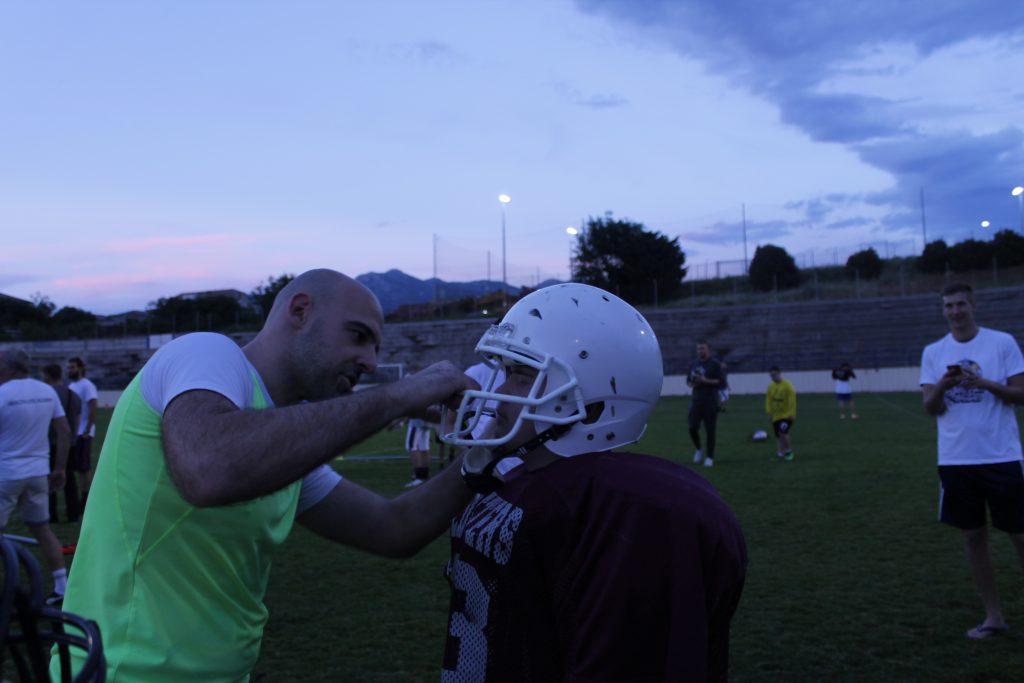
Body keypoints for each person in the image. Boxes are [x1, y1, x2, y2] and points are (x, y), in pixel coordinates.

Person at [54, 269, 485, 682]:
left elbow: (393, 528)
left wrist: (485, 457)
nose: (371, 362)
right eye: (358, 336)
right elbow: (210, 468)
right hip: (122, 671)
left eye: (375, 347)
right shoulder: (205, 352)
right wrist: (399, 396)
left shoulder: (279, 444)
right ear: (299, 311)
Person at [441, 283, 748, 682]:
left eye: (520, 375)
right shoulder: (514, 479)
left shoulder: (630, 513)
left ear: (592, 401)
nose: (498, 392)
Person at [920, 282, 1024, 640]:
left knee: (1019, 534)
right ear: (943, 310)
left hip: (1001, 456)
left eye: (961, 304)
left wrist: (985, 383)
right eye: (948, 306)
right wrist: (944, 387)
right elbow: (930, 407)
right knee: (973, 537)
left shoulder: (1002, 342)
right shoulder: (933, 352)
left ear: (973, 305)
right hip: (956, 460)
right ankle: (993, 617)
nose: (955, 311)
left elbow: (1020, 395)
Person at [0, 350, 72, 605]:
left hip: (6, 474)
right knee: (42, 529)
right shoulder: (47, 391)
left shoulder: (3, 393)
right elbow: (64, 432)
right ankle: (62, 586)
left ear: (8, 367)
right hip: (38, 473)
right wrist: (60, 468)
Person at [41, 363, 82, 524]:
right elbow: (77, 419)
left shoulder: (46, 394)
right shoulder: (73, 395)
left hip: (50, 442)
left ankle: (51, 515)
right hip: (69, 443)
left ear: (47, 376)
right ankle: (73, 514)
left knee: (48, 478)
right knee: (70, 479)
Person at [66, 356, 98, 516]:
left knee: (84, 468)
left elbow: (93, 407)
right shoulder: (71, 386)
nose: (69, 370)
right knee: (77, 468)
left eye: (72, 367)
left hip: (83, 433)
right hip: (74, 433)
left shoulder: (87, 385)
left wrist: (87, 430)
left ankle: (86, 500)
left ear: (80, 368)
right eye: (68, 367)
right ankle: (82, 499)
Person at [686, 340, 724, 467]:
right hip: (696, 401)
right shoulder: (693, 364)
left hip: (710, 402)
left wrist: (705, 380)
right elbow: (689, 382)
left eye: (702, 348)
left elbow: (720, 382)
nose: (700, 351)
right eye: (698, 349)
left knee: (710, 430)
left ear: (708, 350)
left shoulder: (714, 364)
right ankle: (698, 449)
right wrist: (694, 382)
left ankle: (709, 457)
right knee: (692, 427)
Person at [766, 366, 796, 461]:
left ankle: (789, 451)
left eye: (774, 375)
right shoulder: (770, 386)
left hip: (787, 415)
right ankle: (780, 453)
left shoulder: (788, 386)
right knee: (778, 435)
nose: (773, 377)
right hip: (776, 416)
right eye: (771, 376)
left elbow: (792, 401)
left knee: (782, 432)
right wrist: (769, 412)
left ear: (779, 373)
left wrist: (791, 414)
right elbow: (769, 400)